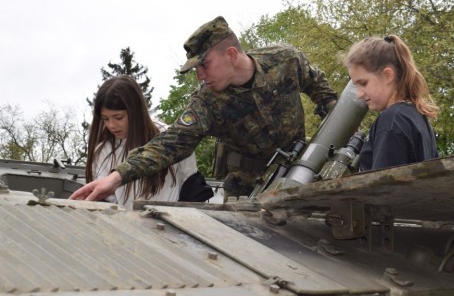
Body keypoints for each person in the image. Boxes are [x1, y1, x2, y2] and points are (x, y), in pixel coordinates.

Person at [71, 16, 337, 202]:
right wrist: (117, 176)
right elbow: (170, 143)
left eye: (204, 65)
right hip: (247, 190)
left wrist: (333, 120)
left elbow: (319, 86)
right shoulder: (206, 102)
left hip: (300, 174)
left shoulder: (284, 60)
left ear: (231, 54)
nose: (199, 75)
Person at [85, 75, 208, 210]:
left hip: (169, 225)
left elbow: (191, 184)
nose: (111, 125)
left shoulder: (171, 139)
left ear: (135, 111)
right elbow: (105, 201)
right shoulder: (104, 150)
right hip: (125, 226)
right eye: (105, 119)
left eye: (118, 117)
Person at [344, 34, 439, 171]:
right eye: (355, 86)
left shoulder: (392, 120)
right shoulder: (417, 117)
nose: (358, 94)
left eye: (363, 83)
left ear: (387, 75)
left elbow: (383, 187)